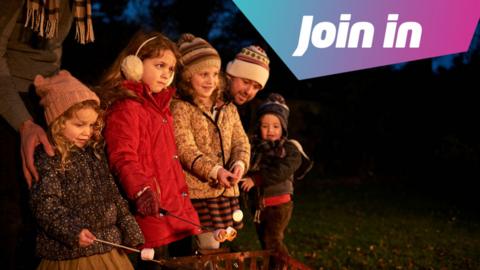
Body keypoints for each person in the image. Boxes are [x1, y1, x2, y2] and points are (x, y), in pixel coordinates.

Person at [0, 1, 94, 268]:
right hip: (10, 100)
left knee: (44, 202)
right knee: (13, 207)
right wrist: (23, 123)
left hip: (42, 98)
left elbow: (52, 54)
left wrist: (63, 96)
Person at [99, 31, 201, 269]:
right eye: (159, 65)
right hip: (150, 208)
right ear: (134, 64)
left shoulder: (162, 108)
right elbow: (122, 155)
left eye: (171, 68)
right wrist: (141, 190)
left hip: (175, 209)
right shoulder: (127, 107)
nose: (166, 73)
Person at [30, 70, 144, 270]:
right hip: (72, 254)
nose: (88, 132)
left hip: (108, 249)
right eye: (79, 125)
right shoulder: (49, 158)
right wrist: (72, 231)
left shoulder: (94, 154)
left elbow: (113, 196)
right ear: (58, 122)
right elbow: (45, 204)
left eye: (92, 125)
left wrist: (129, 227)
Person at [171, 33, 250, 251]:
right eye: (203, 74)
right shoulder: (181, 108)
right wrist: (214, 171)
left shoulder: (228, 107)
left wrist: (239, 164)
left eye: (215, 74)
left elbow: (241, 142)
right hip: (200, 192)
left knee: (226, 243)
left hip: (227, 192)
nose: (210, 80)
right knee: (206, 245)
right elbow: (185, 149)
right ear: (187, 76)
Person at [240, 93, 312, 269]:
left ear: (283, 128)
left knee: (273, 240)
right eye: (265, 126)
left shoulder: (289, 148)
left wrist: (256, 179)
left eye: (275, 126)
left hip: (279, 205)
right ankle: (275, 266)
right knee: (266, 244)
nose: (270, 130)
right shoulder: (254, 149)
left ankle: (287, 266)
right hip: (260, 205)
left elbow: (281, 171)